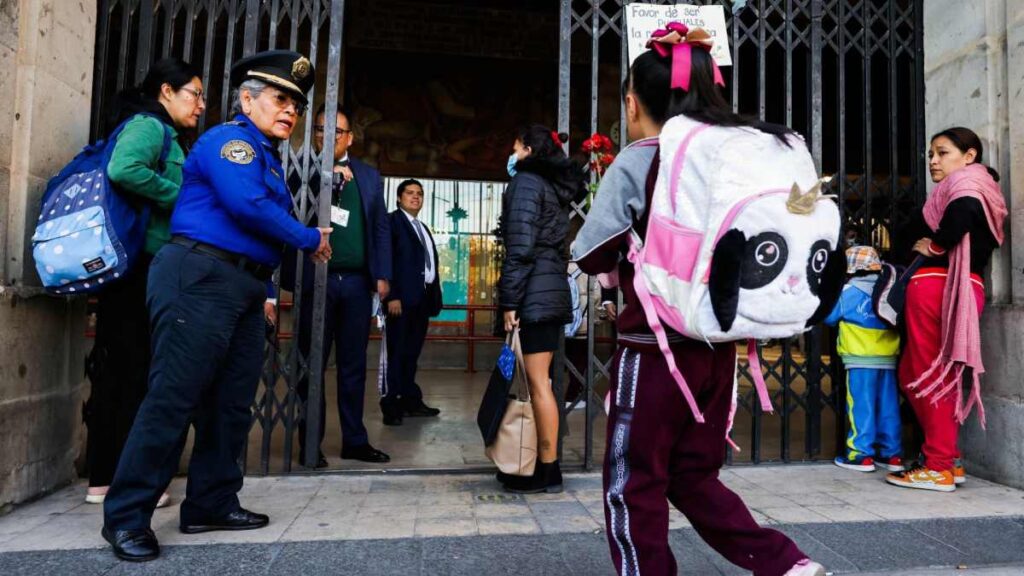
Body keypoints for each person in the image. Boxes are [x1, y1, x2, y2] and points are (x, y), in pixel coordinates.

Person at [572, 25, 826, 576]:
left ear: (633, 103)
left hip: (654, 351)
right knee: (693, 475)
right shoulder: (741, 153)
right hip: (718, 347)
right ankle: (788, 565)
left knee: (632, 482)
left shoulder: (641, 158)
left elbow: (590, 252)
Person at [101, 50, 331, 562]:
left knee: (229, 405)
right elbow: (247, 207)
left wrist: (267, 290)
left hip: (243, 286)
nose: (290, 111)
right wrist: (308, 236)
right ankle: (126, 518)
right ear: (246, 101)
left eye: (296, 103)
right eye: (280, 98)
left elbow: (256, 227)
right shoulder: (232, 143)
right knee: (172, 398)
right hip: (200, 276)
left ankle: (210, 502)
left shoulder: (266, 155)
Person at [84, 58, 204, 508]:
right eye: (193, 93)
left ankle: (104, 479)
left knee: (122, 372)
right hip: (140, 267)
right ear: (166, 92)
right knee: (138, 375)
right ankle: (129, 481)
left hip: (134, 267)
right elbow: (123, 169)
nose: (200, 104)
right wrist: (184, 198)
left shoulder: (156, 128)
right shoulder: (150, 126)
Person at [885, 127, 1007, 493]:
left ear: (969, 156)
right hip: (958, 287)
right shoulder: (971, 189)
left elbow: (963, 214)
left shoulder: (966, 187)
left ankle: (937, 465)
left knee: (926, 374)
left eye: (942, 153)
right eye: (931, 155)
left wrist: (936, 247)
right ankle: (947, 459)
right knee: (915, 372)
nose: (933, 161)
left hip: (941, 285)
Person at [283, 105, 392, 467]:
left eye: (338, 132)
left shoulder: (369, 176)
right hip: (317, 280)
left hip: (358, 284)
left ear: (350, 137)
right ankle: (309, 443)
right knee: (310, 364)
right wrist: (325, 177)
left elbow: (380, 227)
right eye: (319, 130)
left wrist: (382, 275)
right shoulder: (299, 171)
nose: (328, 137)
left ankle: (355, 441)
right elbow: (289, 212)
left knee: (352, 365)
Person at [497, 125, 586, 494]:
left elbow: (520, 248)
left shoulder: (526, 185)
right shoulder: (551, 187)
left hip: (533, 295)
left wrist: (510, 301)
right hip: (549, 292)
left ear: (528, 149)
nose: (512, 152)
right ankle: (542, 463)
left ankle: (544, 467)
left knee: (536, 384)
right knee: (541, 383)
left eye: (515, 146)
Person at [824, 246, 903, 474]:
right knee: (889, 406)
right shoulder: (889, 290)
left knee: (861, 405)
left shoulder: (849, 292)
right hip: (888, 358)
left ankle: (860, 454)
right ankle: (892, 454)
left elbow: (829, 317)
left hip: (859, 359)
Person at [380, 179, 443, 425]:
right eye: (409, 193)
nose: (415, 197)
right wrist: (392, 294)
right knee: (396, 354)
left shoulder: (422, 227)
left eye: (419, 193)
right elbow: (387, 258)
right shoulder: (392, 222)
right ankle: (391, 406)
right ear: (399, 198)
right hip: (400, 301)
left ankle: (410, 401)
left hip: (421, 301)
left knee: (411, 354)